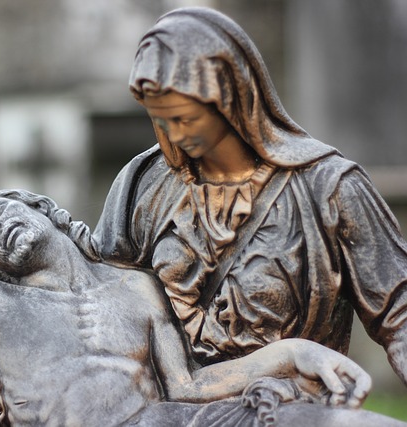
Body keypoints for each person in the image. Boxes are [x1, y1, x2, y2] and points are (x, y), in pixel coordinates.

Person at [70, 7, 407, 386]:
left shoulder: (328, 188)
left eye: (185, 119)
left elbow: (399, 314)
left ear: (230, 97)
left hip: (289, 406)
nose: (174, 134)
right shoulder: (144, 185)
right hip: (172, 406)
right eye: (160, 120)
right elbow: (98, 297)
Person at [0, 189, 405, 427]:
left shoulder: (134, 287)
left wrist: (293, 353)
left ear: (41, 208)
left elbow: (187, 386)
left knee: (335, 422)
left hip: (167, 421)